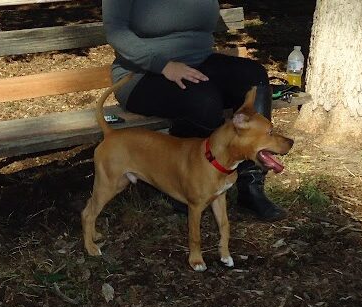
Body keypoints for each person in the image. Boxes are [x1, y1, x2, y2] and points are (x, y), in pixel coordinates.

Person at [102, 0, 285, 221]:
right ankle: (183, 185)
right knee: (203, 100)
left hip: (199, 64)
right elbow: (116, 32)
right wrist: (164, 66)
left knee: (254, 79)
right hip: (142, 75)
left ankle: (251, 185)